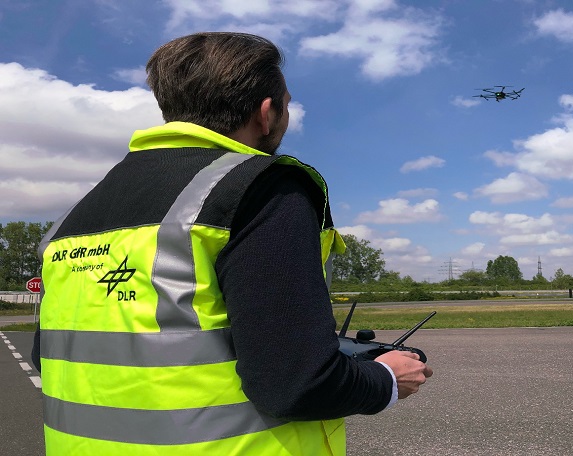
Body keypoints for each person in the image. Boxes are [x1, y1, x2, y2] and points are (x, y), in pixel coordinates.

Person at [31, 31, 433, 455]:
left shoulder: (74, 216)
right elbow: (296, 385)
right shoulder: (261, 187)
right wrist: (385, 379)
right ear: (266, 112)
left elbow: (53, 357)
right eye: (287, 104)